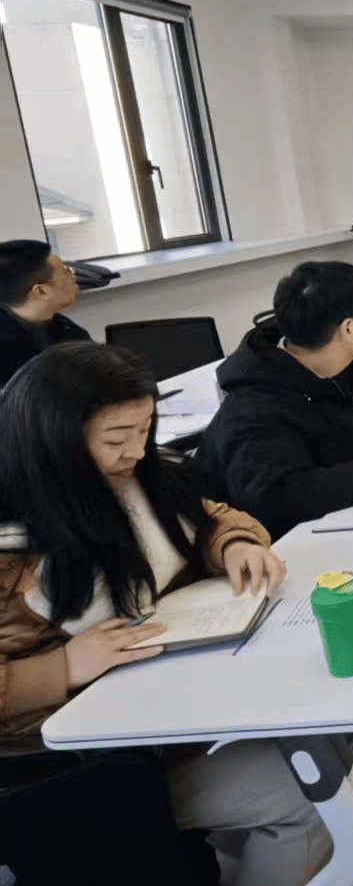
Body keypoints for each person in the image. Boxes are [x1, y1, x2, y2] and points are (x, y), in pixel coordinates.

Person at [0, 343, 329, 885]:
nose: (135, 451)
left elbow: (210, 517)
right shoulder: (13, 548)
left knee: (316, 742)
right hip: (75, 770)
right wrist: (63, 667)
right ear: (52, 440)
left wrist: (234, 545)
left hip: (172, 715)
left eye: (145, 428)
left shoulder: (139, 477)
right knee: (306, 794)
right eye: (115, 439)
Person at [197, 261, 353, 540]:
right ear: (348, 328)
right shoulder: (255, 406)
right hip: (286, 546)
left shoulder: (350, 363)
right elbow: (280, 499)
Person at [0, 239, 91, 388]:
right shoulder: (8, 358)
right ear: (41, 291)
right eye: (65, 271)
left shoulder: (63, 326)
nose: (74, 274)